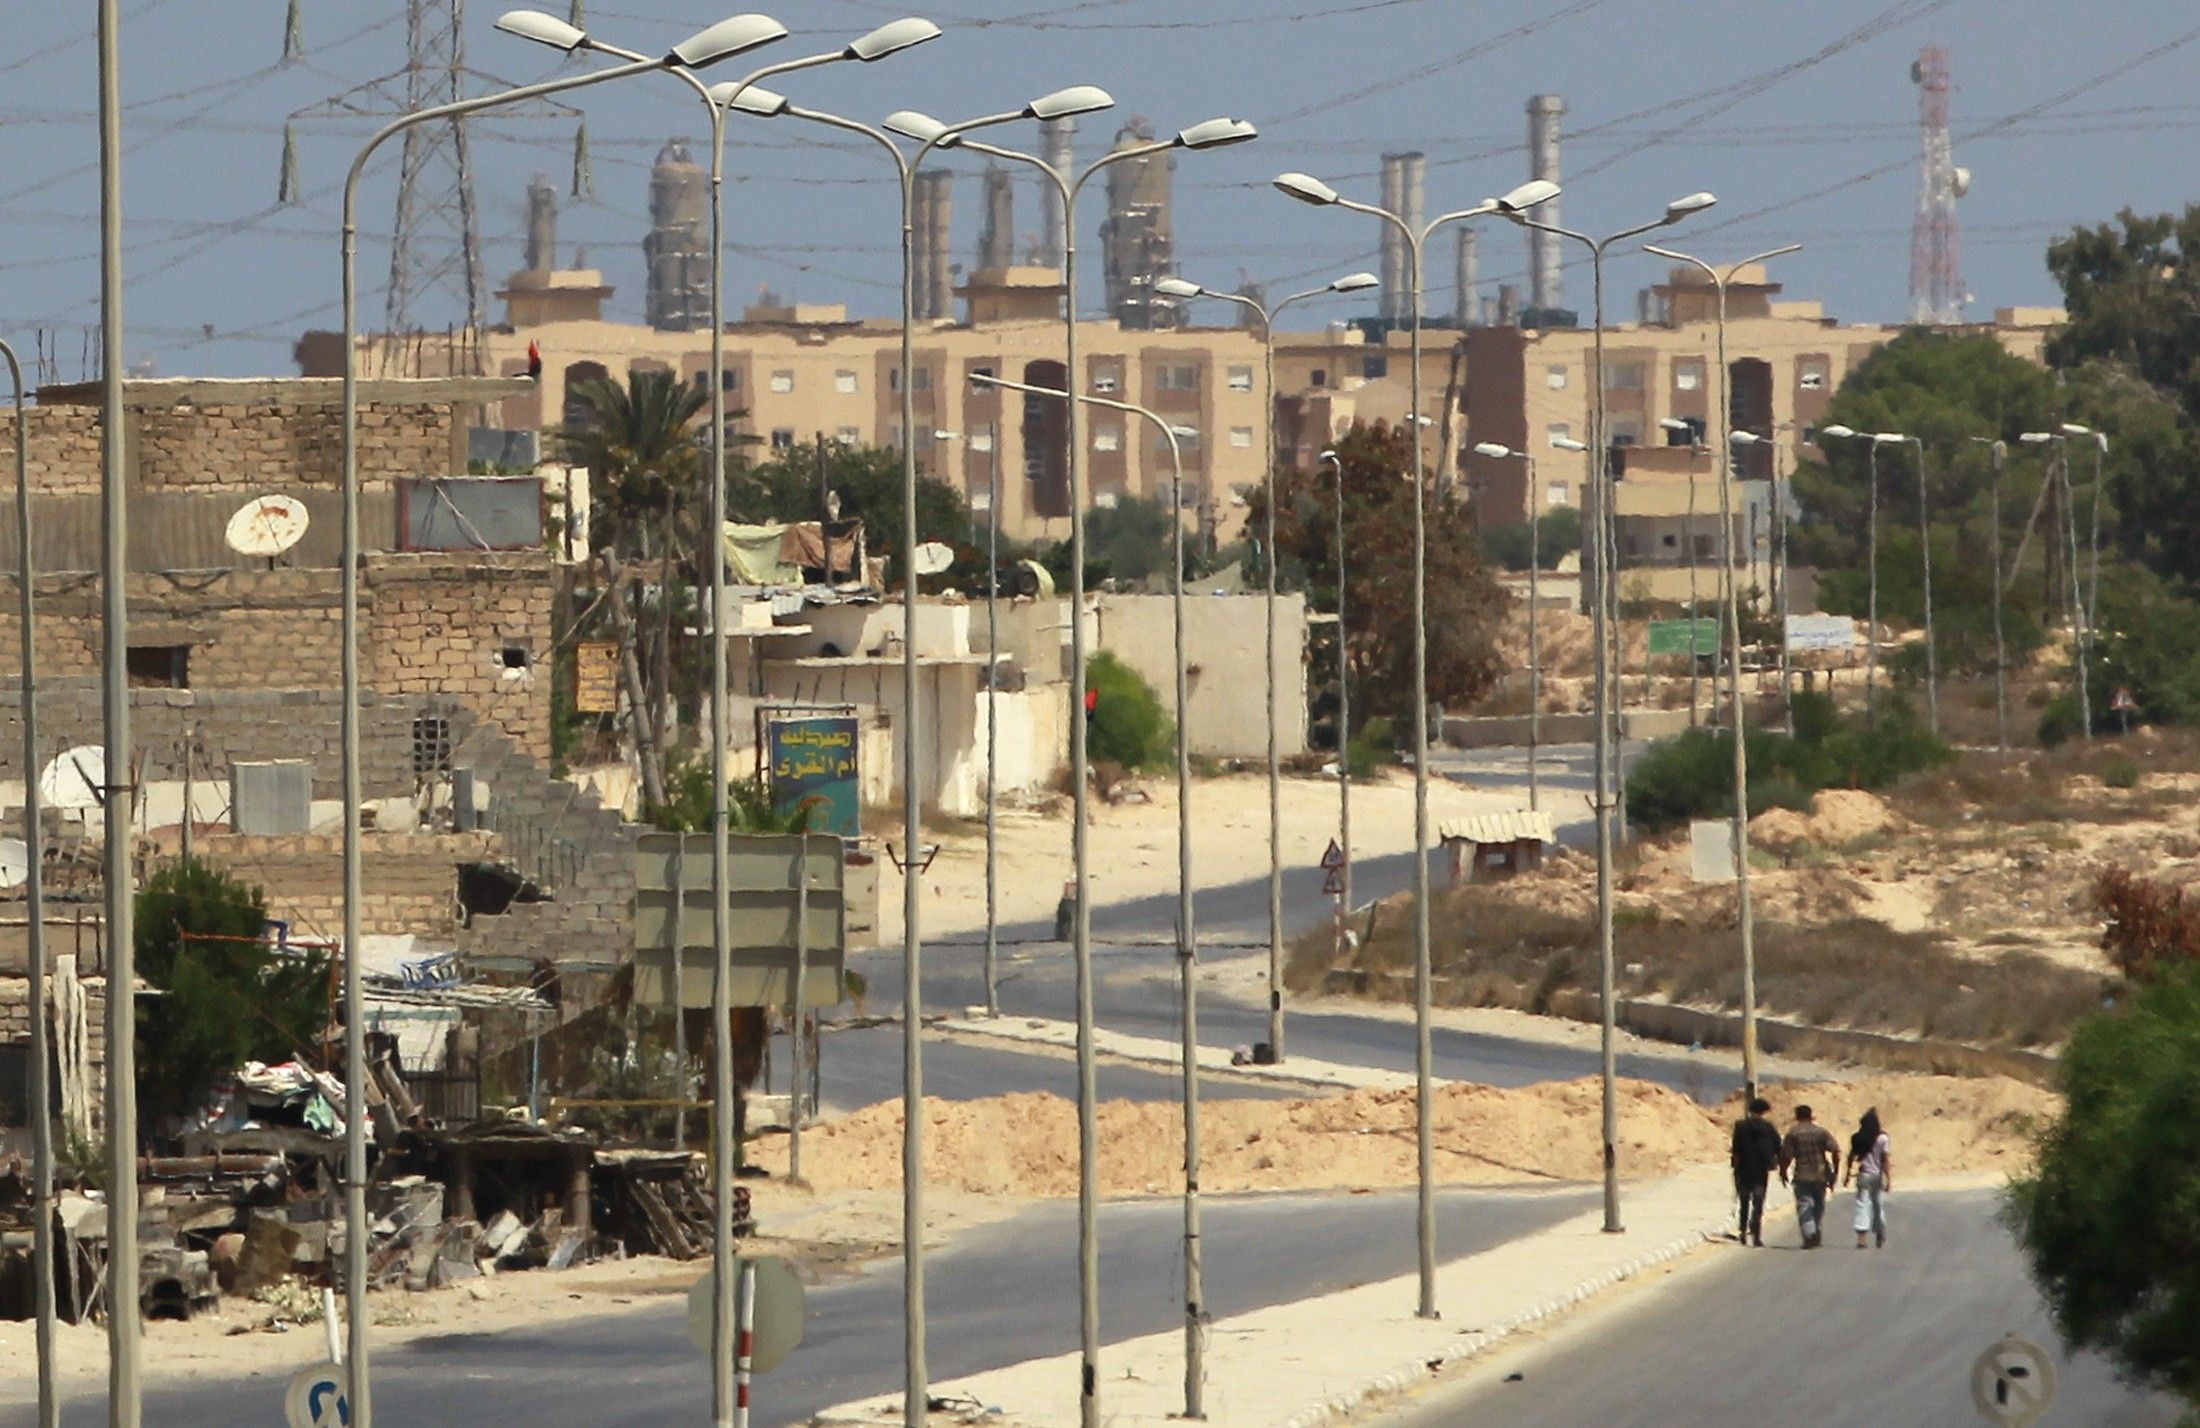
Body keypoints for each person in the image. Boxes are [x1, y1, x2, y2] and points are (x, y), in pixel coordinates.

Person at [1779, 1104, 1840, 1248]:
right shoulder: (1821, 1132)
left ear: (1797, 1116)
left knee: (1804, 1205)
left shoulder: (1793, 1133)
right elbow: (1836, 1150)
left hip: (1802, 1175)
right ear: (1811, 1115)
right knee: (1818, 1205)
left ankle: (1810, 1233)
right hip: (1820, 1175)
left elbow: (1786, 1156)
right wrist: (1835, 1171)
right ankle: (1815, 1231)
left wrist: (1783, 1172)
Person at [1730, 1097, 1781, 1247]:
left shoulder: (1740, 1126)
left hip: (1743, 1169)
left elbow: (1736, 1149)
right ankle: (1756, 1234)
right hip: (1761, 1170)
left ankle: (1742, 1232)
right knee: (1758, 1202)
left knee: (1744, 1201)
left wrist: (1735, 1167)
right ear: (1764, 1111)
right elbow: (1778, 1147)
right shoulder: (1768, 1127)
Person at [1843, 1108, 1892, 1249]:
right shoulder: (1883, 1139)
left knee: (1862, 1204)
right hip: (1877, 1176)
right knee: (1877, 1204)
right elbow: (1885, 1160)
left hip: (1863, 1175)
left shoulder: (1858, 1138)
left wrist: (1847, 1176)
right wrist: (1889, 1180)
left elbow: (1851, 1157)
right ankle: (1879, 1231)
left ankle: (1861, 1238)